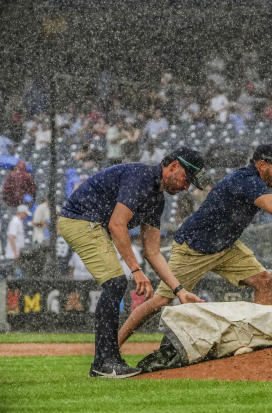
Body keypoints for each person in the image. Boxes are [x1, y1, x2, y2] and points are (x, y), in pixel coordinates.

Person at [118, 144, 272, 347]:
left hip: (225, 246)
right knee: (160, 300)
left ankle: (263, 339)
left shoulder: (254, 181)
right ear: (261, 165)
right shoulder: (247, 180)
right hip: (194, 248)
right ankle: (114, 344)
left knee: (264, 281)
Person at [58, 147, 205, 379]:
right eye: (186, 179)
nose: (186, 187)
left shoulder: (157, 198)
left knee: (116, 283)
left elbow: (153, 252)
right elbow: (117, 224)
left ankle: (107, 360)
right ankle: (104, 362)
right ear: (173, 166)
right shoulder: (142, 178)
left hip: (94, 222)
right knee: (116, 282)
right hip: (79, 219)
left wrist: (179, 291)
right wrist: (136, 270)